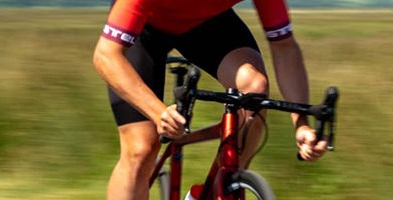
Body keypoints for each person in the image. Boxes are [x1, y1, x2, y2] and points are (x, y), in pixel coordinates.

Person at [91, 0, 326, 199]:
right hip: (144, 28)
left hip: (205, 23)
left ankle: (217, 190)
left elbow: (283, 46)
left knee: (253, 89)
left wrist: (301, 122)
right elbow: (106, 55)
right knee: (141, 149)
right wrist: (158, 112)